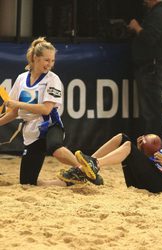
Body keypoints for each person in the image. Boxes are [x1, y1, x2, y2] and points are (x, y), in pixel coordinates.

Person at [0, 37, 103, 186]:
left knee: (55, 147)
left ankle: (85, 170)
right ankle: (70, 182)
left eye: (53, 61)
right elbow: (14, 112)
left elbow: (46, 109)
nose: (50, 64)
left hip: (50, 125)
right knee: (27, 182)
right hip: (31, 132)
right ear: (35, 58)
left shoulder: (52, 79)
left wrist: (16, 103)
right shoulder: (21, 79)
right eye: (46, 60)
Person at [58, 112, 162, 193]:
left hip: (161, 185)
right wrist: (141, 152)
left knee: (127, 145)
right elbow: (154, 163)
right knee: (122, 137)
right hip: (148, 180)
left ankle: (95, 164)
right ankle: (83, 169)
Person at [127, 0, 162, 140]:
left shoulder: (158, 13)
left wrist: (136, 27)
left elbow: (150, 38)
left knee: (152, 112)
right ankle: (155, 144)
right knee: (152, 110)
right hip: (152, 68)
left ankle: (156, 145)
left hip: (151, 69)